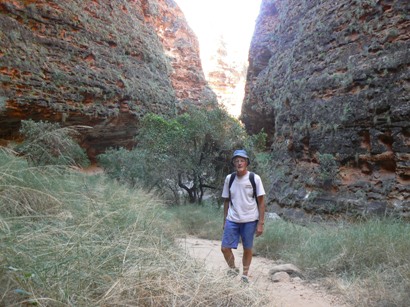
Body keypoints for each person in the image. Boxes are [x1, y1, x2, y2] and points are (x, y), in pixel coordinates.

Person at [221, 149, 265, 283]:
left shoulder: (254, 178)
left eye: (242, 160)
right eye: (236, 161)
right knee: (224, 248)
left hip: (250, 219)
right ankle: (233, 268)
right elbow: (227, 200)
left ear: (247, 163)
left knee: (247, 248)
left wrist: (261, 223)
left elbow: (261, 202)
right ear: (233, 163)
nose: (239, 163)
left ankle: (245, 275)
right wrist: (224, 220)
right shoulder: (230, 178)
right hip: (232, 219)